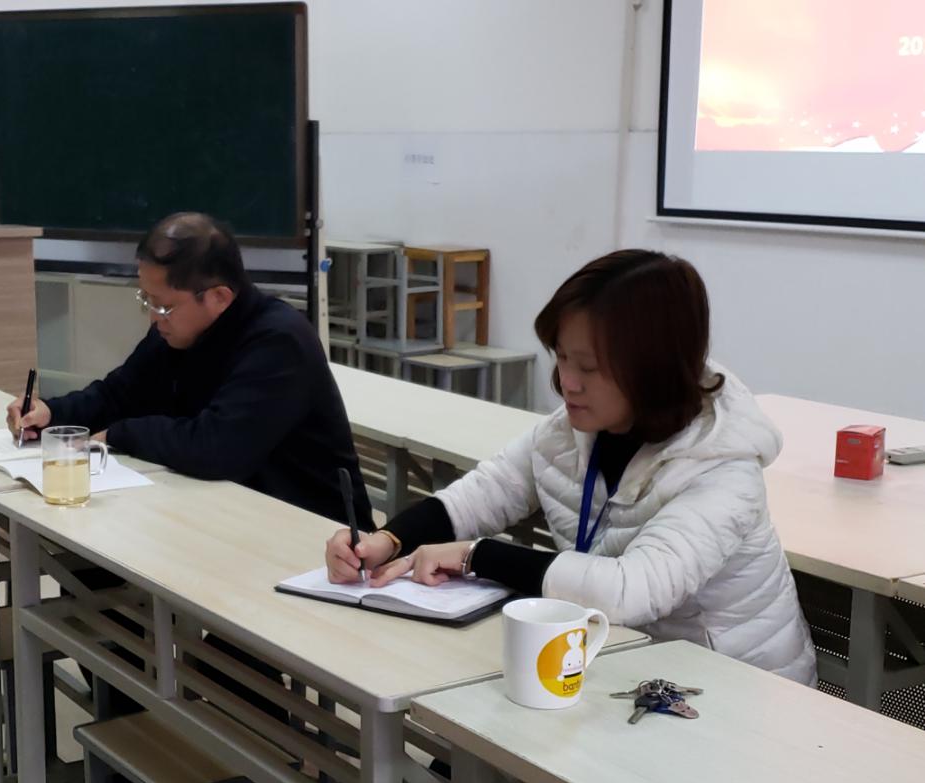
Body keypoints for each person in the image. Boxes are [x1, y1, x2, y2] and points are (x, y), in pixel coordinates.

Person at [325, 249, 816, 685]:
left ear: (654, 369)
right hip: (623, 662)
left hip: (730, 690)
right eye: (561, 358)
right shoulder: (573, 429)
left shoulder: (724, 470)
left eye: (589, 367)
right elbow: (484, 493)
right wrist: (387, 541)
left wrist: (475, 555)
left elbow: (629, 591)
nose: (567, 382)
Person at [6, 210, 373, 531]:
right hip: (224, 512)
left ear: (219, 297)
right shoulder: (177, 330)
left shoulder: (279, 342)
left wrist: (120, 434)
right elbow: (118, 394)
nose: (154, 318)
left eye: (163, 306)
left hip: (313, 533)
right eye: (147, 300)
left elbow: (217, 448)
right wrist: (52, 414)